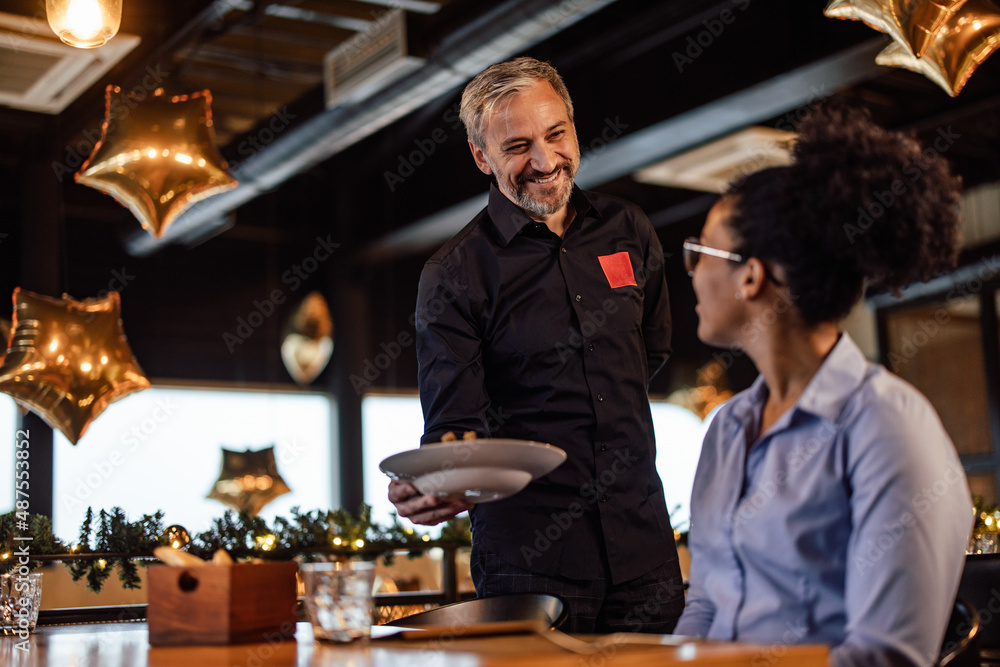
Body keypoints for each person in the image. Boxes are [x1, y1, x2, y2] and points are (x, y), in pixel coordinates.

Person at [387, 56, 684, 633]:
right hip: (529, 565)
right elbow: (455, 424)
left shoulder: (630, 229)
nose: (545, 162)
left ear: (573, 126)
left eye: (556, 134)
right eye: (517, 146)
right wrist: (436, 483)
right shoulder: (454, 273)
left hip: (645, 550)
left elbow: (648, 354)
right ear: (481, 156)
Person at [673, 105, 973, 666]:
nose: (689, 271)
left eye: (700, 253)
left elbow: (886, 656)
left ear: (751, 275)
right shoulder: (728, 428)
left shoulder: (886, 426)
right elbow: (709, 604)